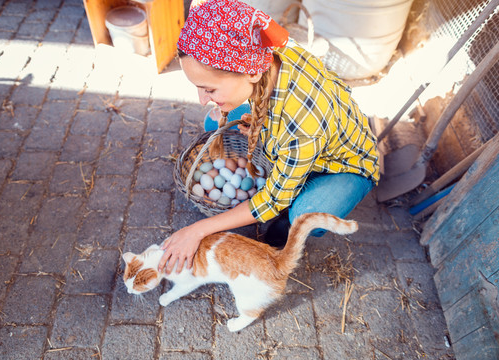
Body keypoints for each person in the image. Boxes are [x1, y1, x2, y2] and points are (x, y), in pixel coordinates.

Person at [158, 0, 379, 274]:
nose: (202, 99)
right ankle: (286, 176)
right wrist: (262, 125)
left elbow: (273, 199)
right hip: (301, 143)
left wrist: (197, 230)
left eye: (209, 89)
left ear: (250, 72)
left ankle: (286, 225)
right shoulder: (264, 51)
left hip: (341, 167)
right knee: (213, 121)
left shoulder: (301, 125)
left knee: (306, 215)